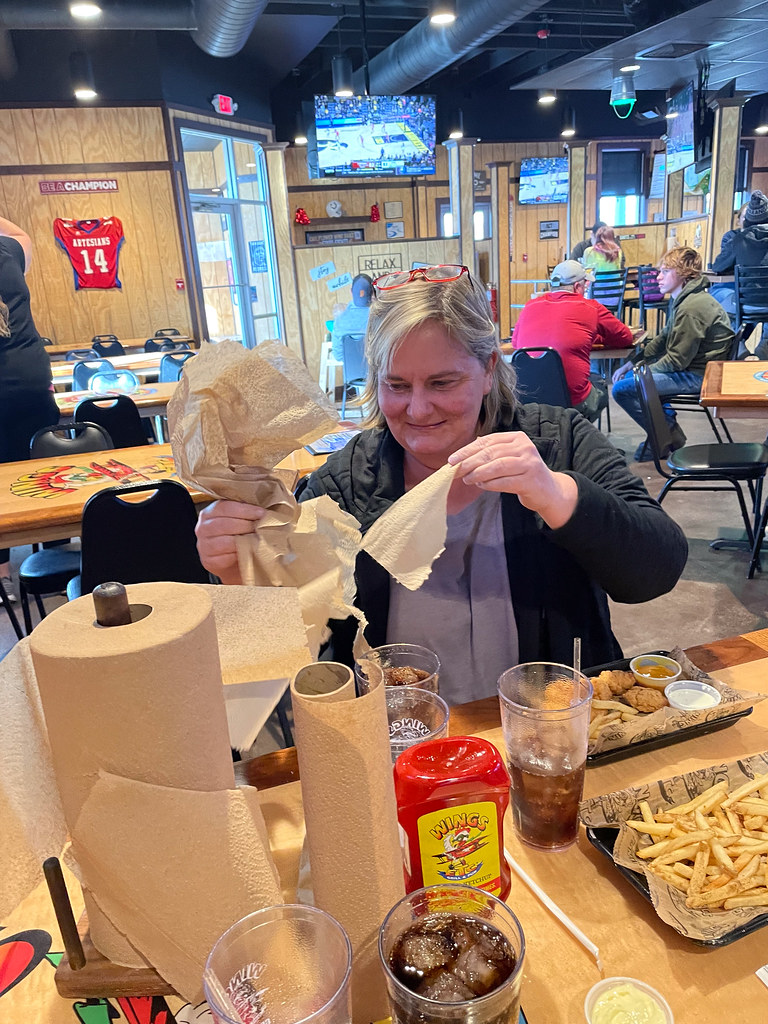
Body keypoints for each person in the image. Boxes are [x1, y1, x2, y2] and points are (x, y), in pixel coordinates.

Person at [196, 264, 687, 705]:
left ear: (489, 369)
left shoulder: (558, 442)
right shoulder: (345, 484)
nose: (418, 410)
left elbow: (655, 572)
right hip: (402, 744)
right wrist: (241, 574)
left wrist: (558, 495)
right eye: (397, 385)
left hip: (547, 734)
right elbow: (292, 658)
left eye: (443, 382)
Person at [612, 247, 733, 460]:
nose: (658, 277)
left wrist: (641, 372)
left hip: (701, 377)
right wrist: (633, 363)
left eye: (665, 271)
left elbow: (676, 361)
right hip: (700, 370)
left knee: (622, 388)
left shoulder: (691, 308)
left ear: (684, 273)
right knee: (636, 378)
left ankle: (664, 434)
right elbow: (663, 339)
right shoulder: (686, 299)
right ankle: (666, 434)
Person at [0, 216, 59, 600]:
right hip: (32, 379)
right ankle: (58, 551)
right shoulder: (6, 253)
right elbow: (19, 233)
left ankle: (2, 573)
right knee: (44, 467)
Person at [512, 260, 635, 422]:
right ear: (578, 287)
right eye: (585, 285)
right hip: (572, 403)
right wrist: (592, 336)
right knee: (600, 384)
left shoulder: (529, 306)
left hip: (529, 402)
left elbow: (516, 343)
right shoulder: (591, 307)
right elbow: (625, 337)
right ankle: (577, 434)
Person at [711, 190, 768, 358]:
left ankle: (737, 345)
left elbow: (719, 266)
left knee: (716, 302)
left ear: (748, 220)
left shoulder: (739, 239)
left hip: (746, 304)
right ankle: (765, 343)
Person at [330, 273, 374, 362]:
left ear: (351, 291)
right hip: (379, 373)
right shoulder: (382, 318)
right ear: (373, 292)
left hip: (351, 374)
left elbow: (338, 356)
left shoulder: (339, 321)